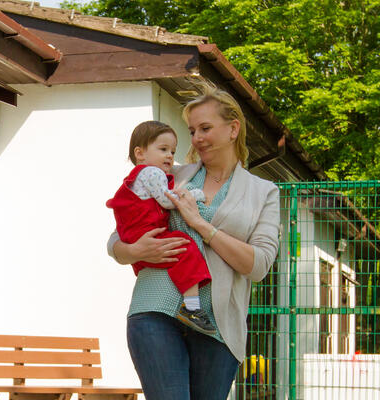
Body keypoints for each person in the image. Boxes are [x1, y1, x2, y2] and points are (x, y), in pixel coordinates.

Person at [107, 90, 281, 400]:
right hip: (155, 310)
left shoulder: (263, 192)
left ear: (233, 129)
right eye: (192, 131)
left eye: (205, 128)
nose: (197, 138)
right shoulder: (168, 174)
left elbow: (258, 266)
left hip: (218, 325)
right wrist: (134, 251)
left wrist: (202, 225)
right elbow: (116, 237)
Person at [106, 121, 214, 335]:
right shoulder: (151, 173)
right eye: (163, 149)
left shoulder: (138, 175)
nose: (169, 156)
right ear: (140, 153)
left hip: (134, 237)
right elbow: (167, 200)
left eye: (172, 151)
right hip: (149, 232)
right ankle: (192, 307)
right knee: (185, 248)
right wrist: (195, 195)